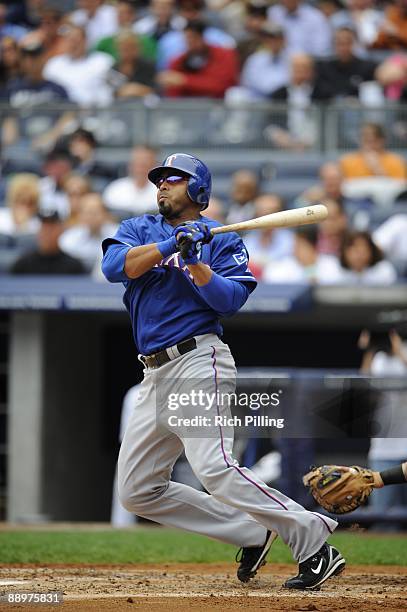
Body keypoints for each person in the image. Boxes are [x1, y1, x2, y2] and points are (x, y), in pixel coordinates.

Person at [101, 151, 344, 590]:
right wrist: (169, 246)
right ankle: (251, 532)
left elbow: (230, 301)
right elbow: (116, 267)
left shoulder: (221, 239)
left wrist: (196, 261)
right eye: (160, 180)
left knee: (214, 467)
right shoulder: (137, 228)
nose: (162, 186)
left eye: (173, 180)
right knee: (137, 490)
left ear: (198, 191)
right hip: (153, 373)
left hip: (197, 360)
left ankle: (313, 541)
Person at [157, 19, 238, 98]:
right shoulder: (179, 61)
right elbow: (173, 92)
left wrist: (184, 80)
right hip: (189, 106)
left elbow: (222, 85)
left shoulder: (224, 55)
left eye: (194, 38)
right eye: (187, 39)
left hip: (220, 105)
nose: (190, 42)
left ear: (203, 37)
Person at [43, 24, 115, 107]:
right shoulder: (54, 64)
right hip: (61, 113)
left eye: (76, 40)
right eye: (69, 40)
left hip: (96, 112)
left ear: (85, 41)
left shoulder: (103, 61)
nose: (73, 44)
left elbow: (118, 87)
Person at [10, 210, 86, 275]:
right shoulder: (23, 265)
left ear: (60, 231)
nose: (47, 233)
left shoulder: (74, 267)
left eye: (51, 228)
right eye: (44, 228)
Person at [59, 192, 118, 271]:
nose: (91, 217)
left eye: (95, 213)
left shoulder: (118, 234)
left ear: (105, 214)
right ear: (80, 215)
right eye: (87, 212)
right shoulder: (69, 237)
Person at [263, 224, 341, 284]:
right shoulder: (283, 266)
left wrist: (309, 268)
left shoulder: (331, 264)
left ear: (314, 246)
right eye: (296, 243)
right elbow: (271, 280)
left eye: (301, 244)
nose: (295, 249)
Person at [243, 193, 294, 278]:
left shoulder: (292, 241)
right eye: (262, 212)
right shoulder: (244, 243)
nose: (266, 217)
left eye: (271, 212)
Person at [103, 145, 158, 216]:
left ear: (154, 165)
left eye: (145, 164)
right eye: (137, 163)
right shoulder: (115, 189)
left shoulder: (163, 190)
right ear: (130, 165)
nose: (140, 169)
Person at [339, 122, 407, 179]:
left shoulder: (396, 162)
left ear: (383, 140)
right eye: (366, 141)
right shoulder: (347, 162)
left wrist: (377, 168)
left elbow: (399, 188)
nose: (369, 146)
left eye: (373, 141)